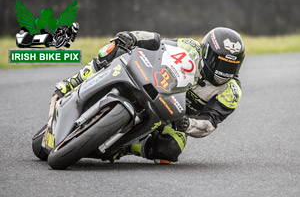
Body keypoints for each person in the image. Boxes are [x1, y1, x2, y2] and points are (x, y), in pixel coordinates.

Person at [55, 27, 245, 164]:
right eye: (219, 63)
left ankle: (124, 147)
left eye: (231, 66)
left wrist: (187, 124)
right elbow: (158, 43)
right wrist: (134, 37)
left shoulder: (231, 91)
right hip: (152, 83)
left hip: (173, 118)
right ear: (206, 53)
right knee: (117, 47)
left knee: (172, 148)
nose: (223, 72)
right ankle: (75, 80)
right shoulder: (190, 47)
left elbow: (210, 123)